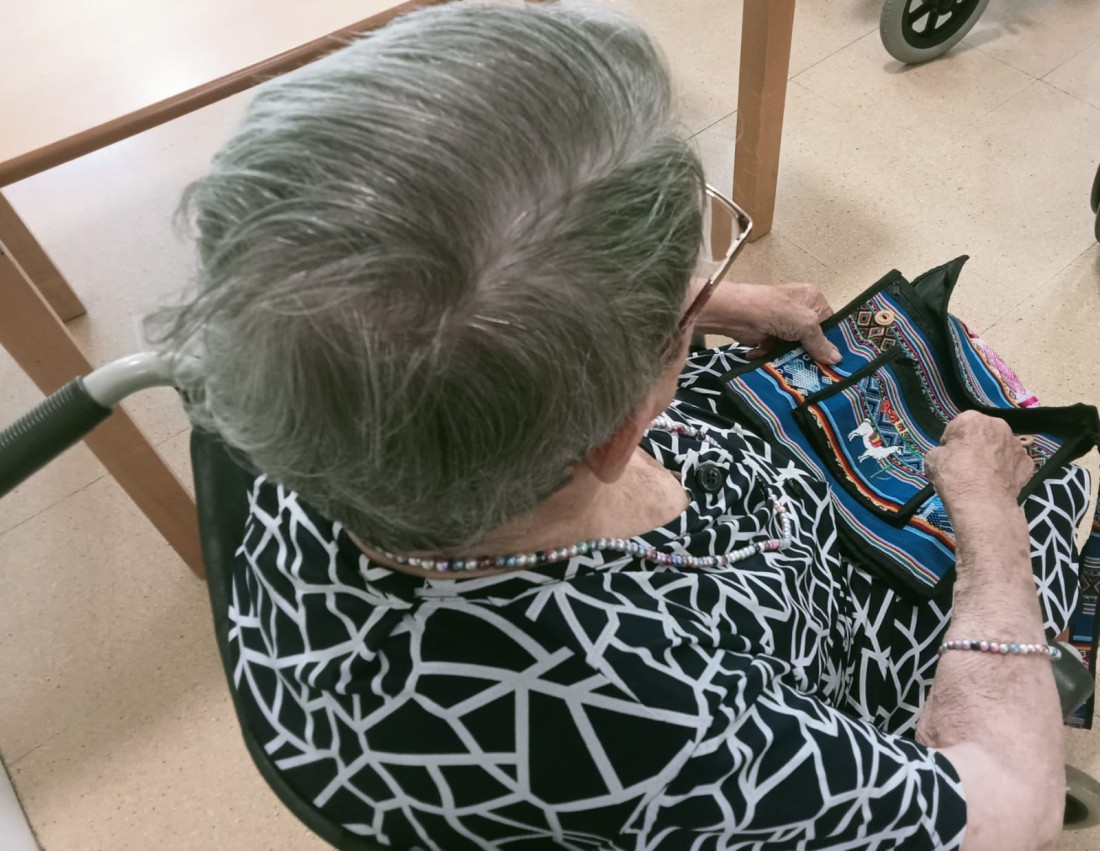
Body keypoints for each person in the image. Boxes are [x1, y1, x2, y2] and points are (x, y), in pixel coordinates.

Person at [148, 4, 1078, 849]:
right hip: (796, 640)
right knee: (1043, 480)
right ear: (615, 435)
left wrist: (701, 306)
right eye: (677, 317)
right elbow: (1014, 808)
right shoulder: (647, 720)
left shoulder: (285, 374)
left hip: (632, 521)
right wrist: (987, 518)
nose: (697, 295)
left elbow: (434, 285)